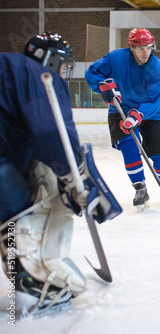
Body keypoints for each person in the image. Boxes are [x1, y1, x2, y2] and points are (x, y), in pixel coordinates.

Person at [0, 32, 121, 318]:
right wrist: (70, 173)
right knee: (27, 209)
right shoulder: (39, 76)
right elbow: (49, 129)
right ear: (50, 60)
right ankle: (33, 282)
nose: (64, 72)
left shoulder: (10, 67)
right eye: (64, 66)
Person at [85, 28, 160, 210]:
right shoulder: (115, 59)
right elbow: (92, 72)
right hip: (119, 110)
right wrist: (102, 86)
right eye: (140, 48)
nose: (145, 52)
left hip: (150, 113)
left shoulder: (158, 68)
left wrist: (137, 115)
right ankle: (140, 188)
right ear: (131, 48)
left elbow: (154, 99)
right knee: (129, 148)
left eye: (148, 47)